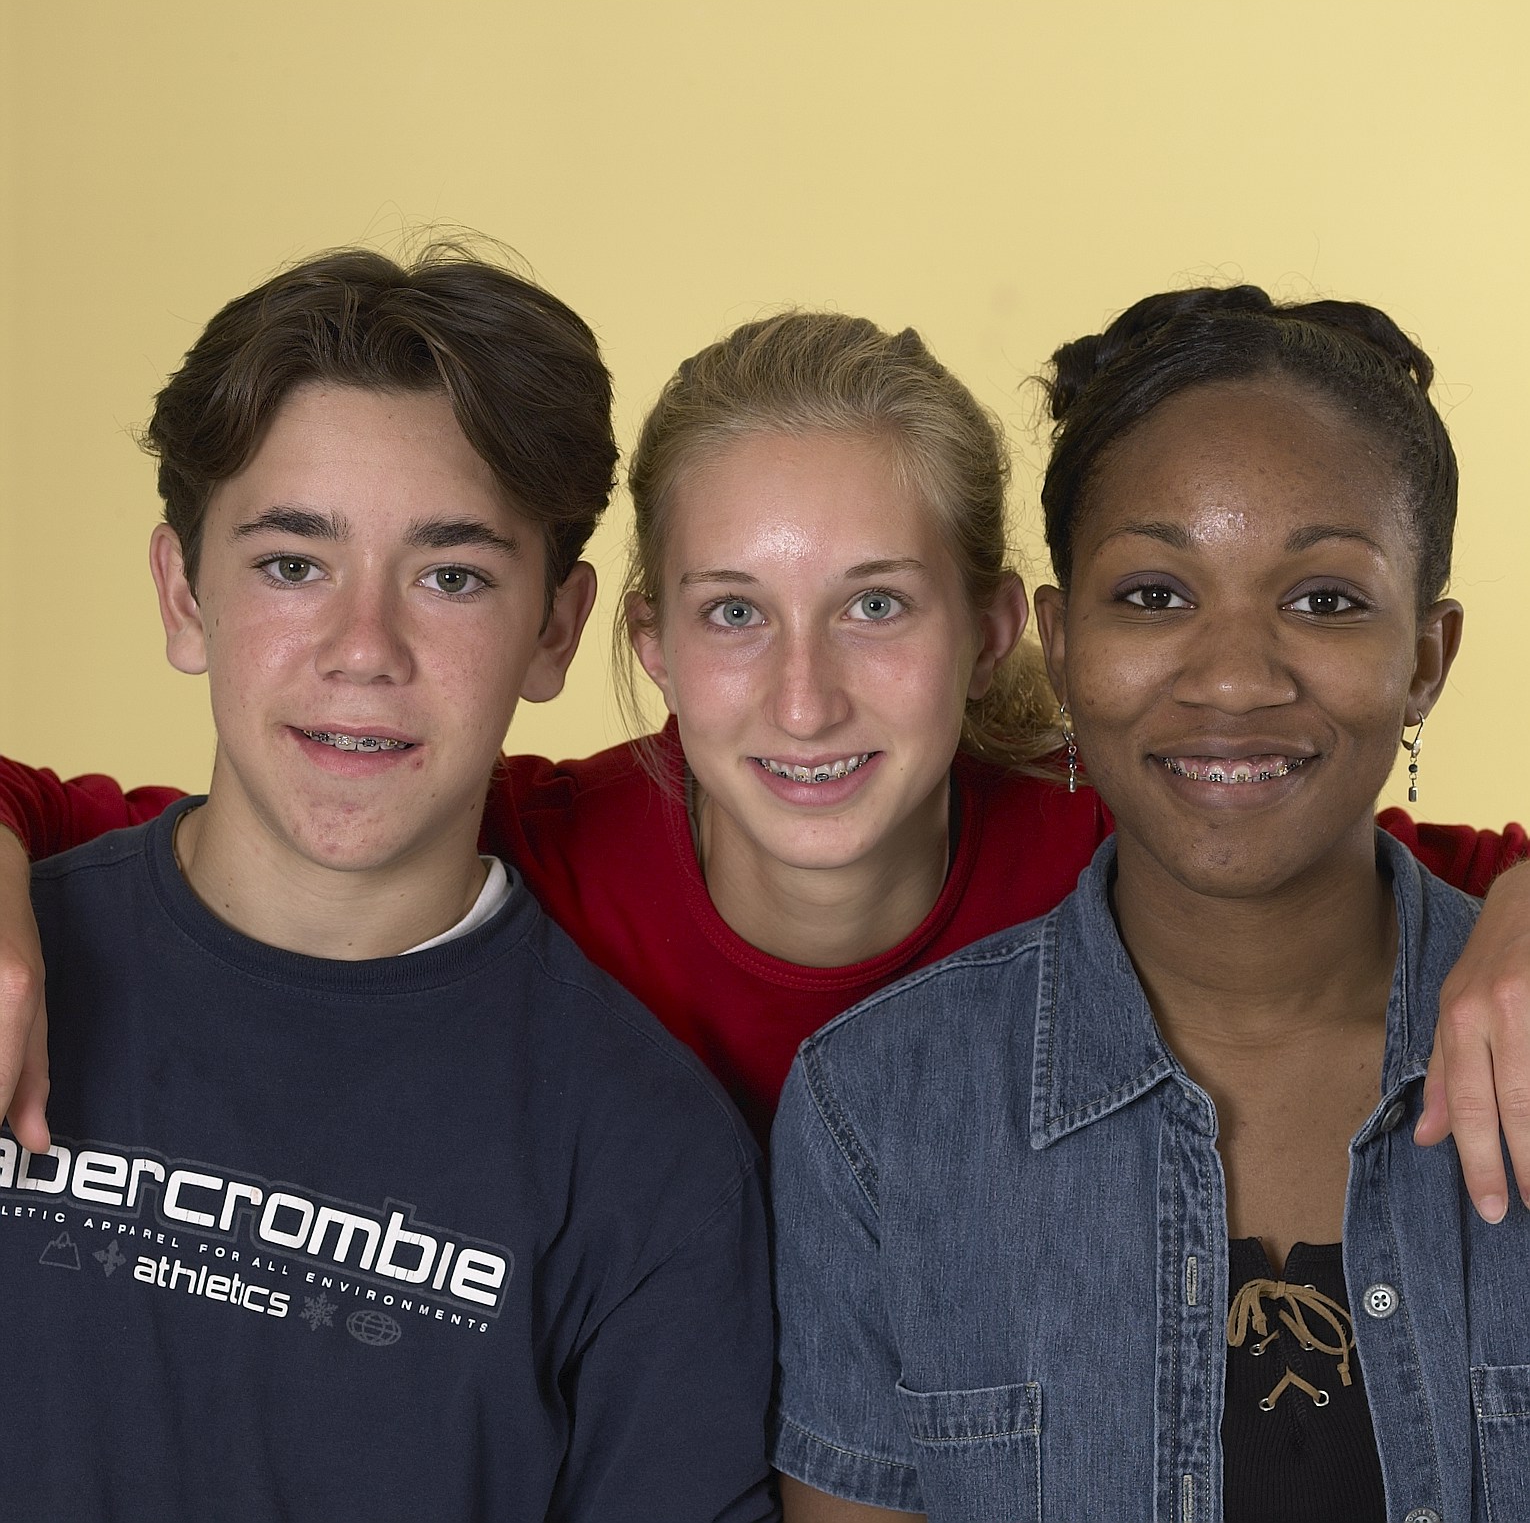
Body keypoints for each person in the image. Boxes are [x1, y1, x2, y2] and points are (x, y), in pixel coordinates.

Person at [2, 310, 1529, 1197]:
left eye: (874, 604)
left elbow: (1429, 884)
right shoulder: (520, 847)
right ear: (649, 640)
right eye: (737, 612)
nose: (804, 700)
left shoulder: (1123, 850)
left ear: (1000, 628)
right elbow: (95, 821)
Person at [0, 246, 776, 1521]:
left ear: (556, 628)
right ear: (183, 593)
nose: (365, 648)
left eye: (451, 575)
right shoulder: (22, 973)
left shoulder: (651, 1162)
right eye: (292, 564)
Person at [768, 287, 1529, 1521]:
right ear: (1060, 643)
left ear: (1427, 658)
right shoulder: (880, 1113)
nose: (1234, 674)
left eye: (1326, 599)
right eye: (1156, 595)